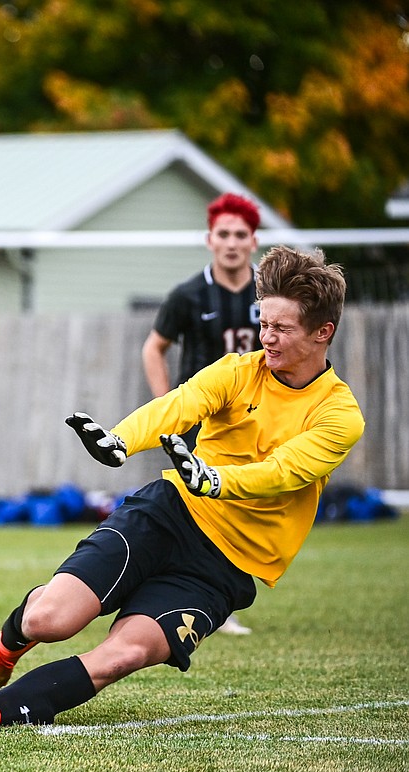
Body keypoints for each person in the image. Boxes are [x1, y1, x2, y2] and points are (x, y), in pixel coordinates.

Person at [0, 246, 363, 729]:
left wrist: (216, 480)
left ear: (323, 333)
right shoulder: (238, 371)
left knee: (124, 654)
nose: (266, 338)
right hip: (168, 513)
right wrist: (121, 440)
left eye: (282, 328)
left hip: (226, 567)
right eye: (264, 323)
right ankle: (10, 639)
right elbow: (178, 405)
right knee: (50, 621)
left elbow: (284, 471)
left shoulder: (340, 415)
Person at [141, 192, 262, 636]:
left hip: (255, 421)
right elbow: (154, 347)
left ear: (253, 240)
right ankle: (205, 599)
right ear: (209, 239)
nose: (231, 243)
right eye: (223, 234)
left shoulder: (268, 292)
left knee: (244, 503)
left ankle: (217, 592)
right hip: (203, 423)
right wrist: (166, 406)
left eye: (240, 235)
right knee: (197, 506)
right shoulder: (189, 294)